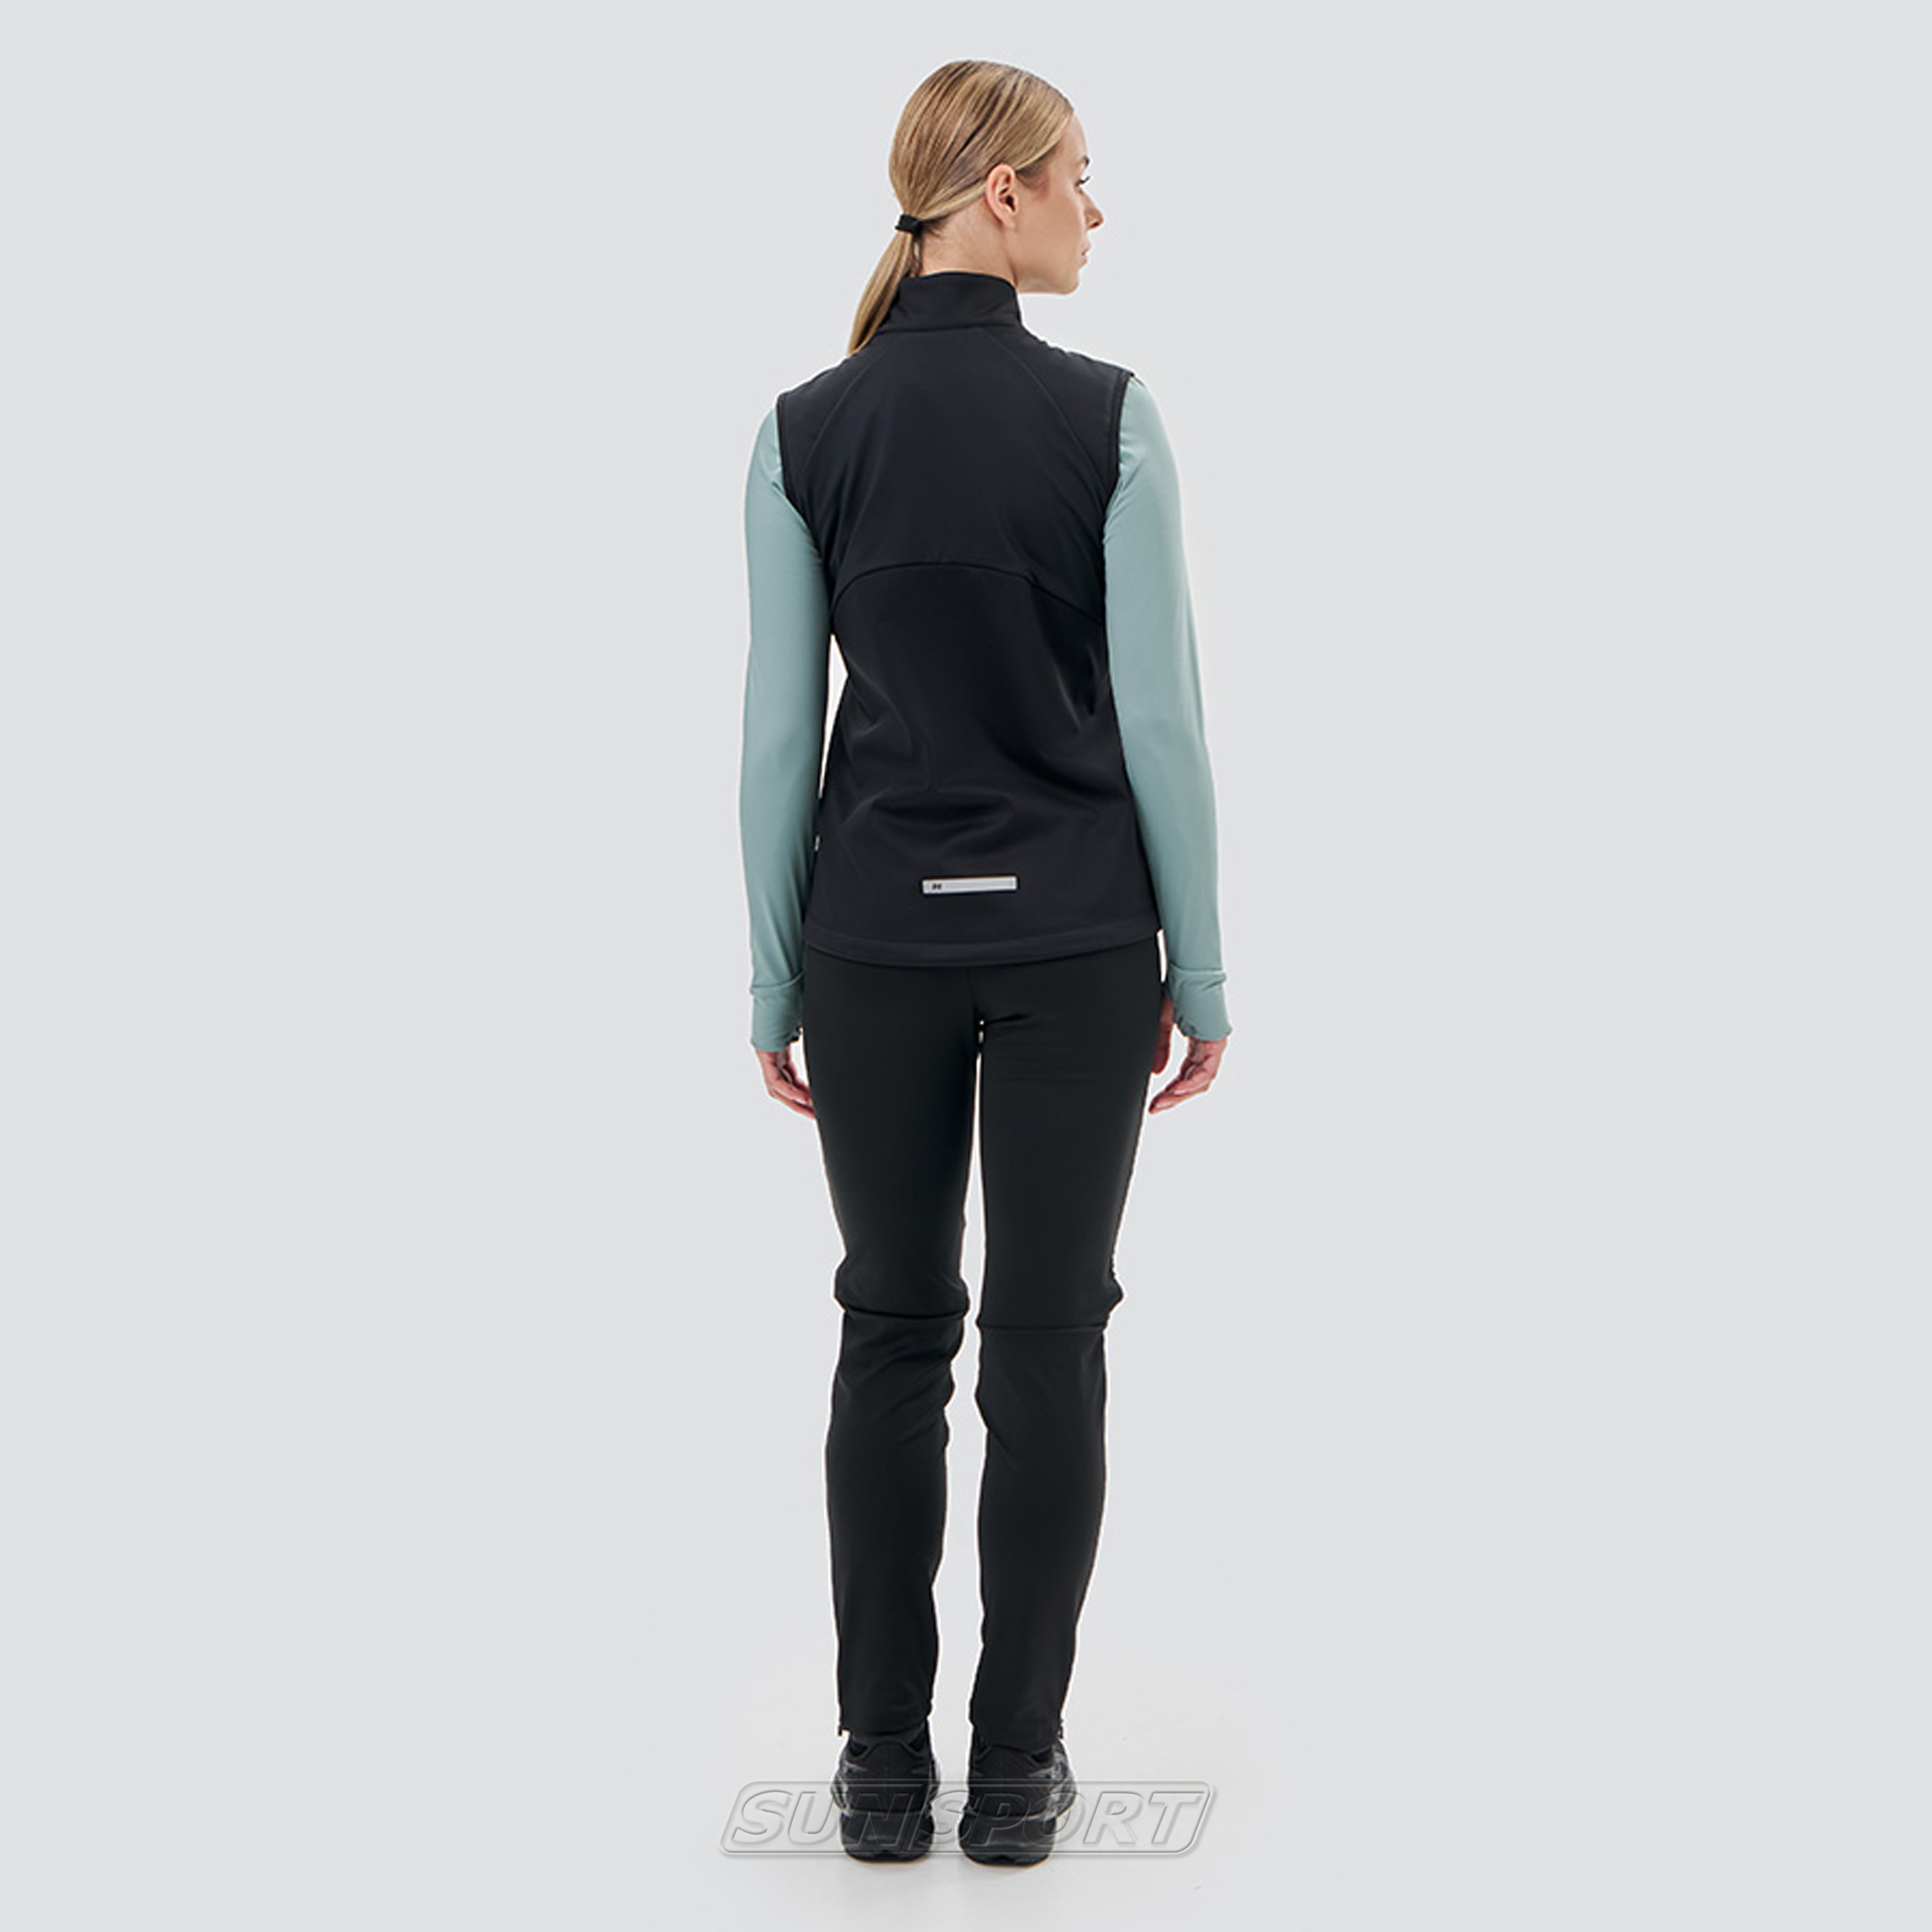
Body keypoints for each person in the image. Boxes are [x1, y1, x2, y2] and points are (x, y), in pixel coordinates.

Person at [737, 58, 1233, 1864]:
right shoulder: (1111, 419)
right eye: (1080, 175)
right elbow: (1162, 726)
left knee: (889, 1329)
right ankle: (1016, 1771)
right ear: (1000, 194)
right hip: (1079, 948)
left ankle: (881, 1773)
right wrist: (1206, 973)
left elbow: (775, 740)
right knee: (1045, 1345)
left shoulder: (804, 431)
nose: (1098, 209)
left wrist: (776, 980)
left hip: (871, 945)